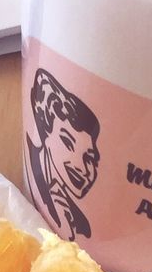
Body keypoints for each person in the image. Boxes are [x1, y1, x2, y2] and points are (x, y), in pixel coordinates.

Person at [25, 68, 101, 240]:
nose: (82, 167)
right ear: (45, 129)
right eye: (68, 143)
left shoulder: (82, 227)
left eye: (89, 158)